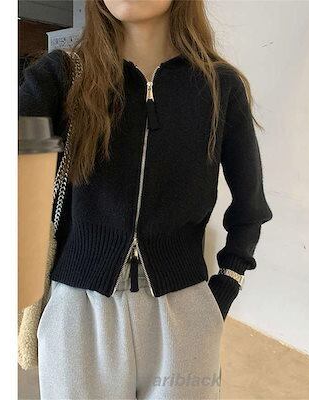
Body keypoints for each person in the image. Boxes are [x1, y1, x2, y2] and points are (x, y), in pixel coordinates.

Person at [19, 0, 273, 399]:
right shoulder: (61, 78)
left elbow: (250, 206)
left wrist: (225, 286)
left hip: (185, 312)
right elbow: (16, 166)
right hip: (78, 312)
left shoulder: (219, 86)